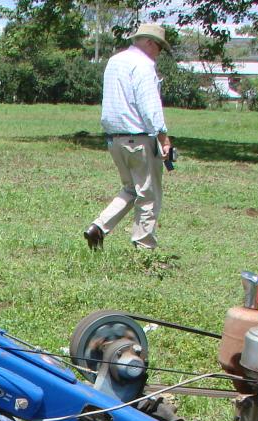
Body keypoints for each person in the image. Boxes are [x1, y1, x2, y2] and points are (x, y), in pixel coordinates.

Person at [84, 23, 173, 252]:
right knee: (149, 194)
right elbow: (150, 106)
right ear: (150, 43)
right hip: (139, 139)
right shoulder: (143, 65)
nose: (158, 54)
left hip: (115, 139)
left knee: (131, 189)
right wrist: (163, 138)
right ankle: (144, 249)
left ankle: (98, 227)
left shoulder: (115, 61)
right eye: (160, 48)